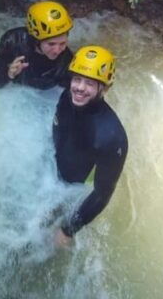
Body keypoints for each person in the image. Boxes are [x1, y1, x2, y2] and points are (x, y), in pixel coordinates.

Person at [52, 45, 128, 247]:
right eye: (77, 79)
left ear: (104, 88)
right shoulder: (67, 99)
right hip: (56, 173)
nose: (79, 88)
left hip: (78, 189)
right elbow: (57, 129)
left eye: (89, 83)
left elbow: (102, 193)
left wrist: (68, 229)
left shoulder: (112, 136)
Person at [0, 1, 74, 89]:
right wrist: (8, 74)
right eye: (51, 44)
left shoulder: (66, 60)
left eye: (62, 43)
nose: (57, 50)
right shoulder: (12, 41)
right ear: (36, 40)